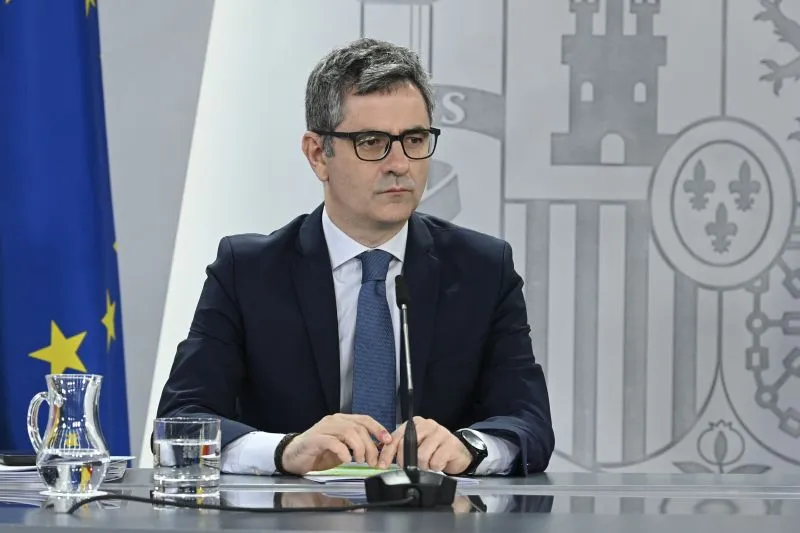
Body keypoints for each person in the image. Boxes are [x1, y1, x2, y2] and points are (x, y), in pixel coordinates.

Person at [156, 37, 554, 477]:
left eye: (414, 139)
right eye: (372, 142)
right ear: (317, 155)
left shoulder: (483, 270)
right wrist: (285, 450)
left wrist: (471, 447)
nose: (400, 163)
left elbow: (529, 423)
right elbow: (178, 426)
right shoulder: (247, 272)